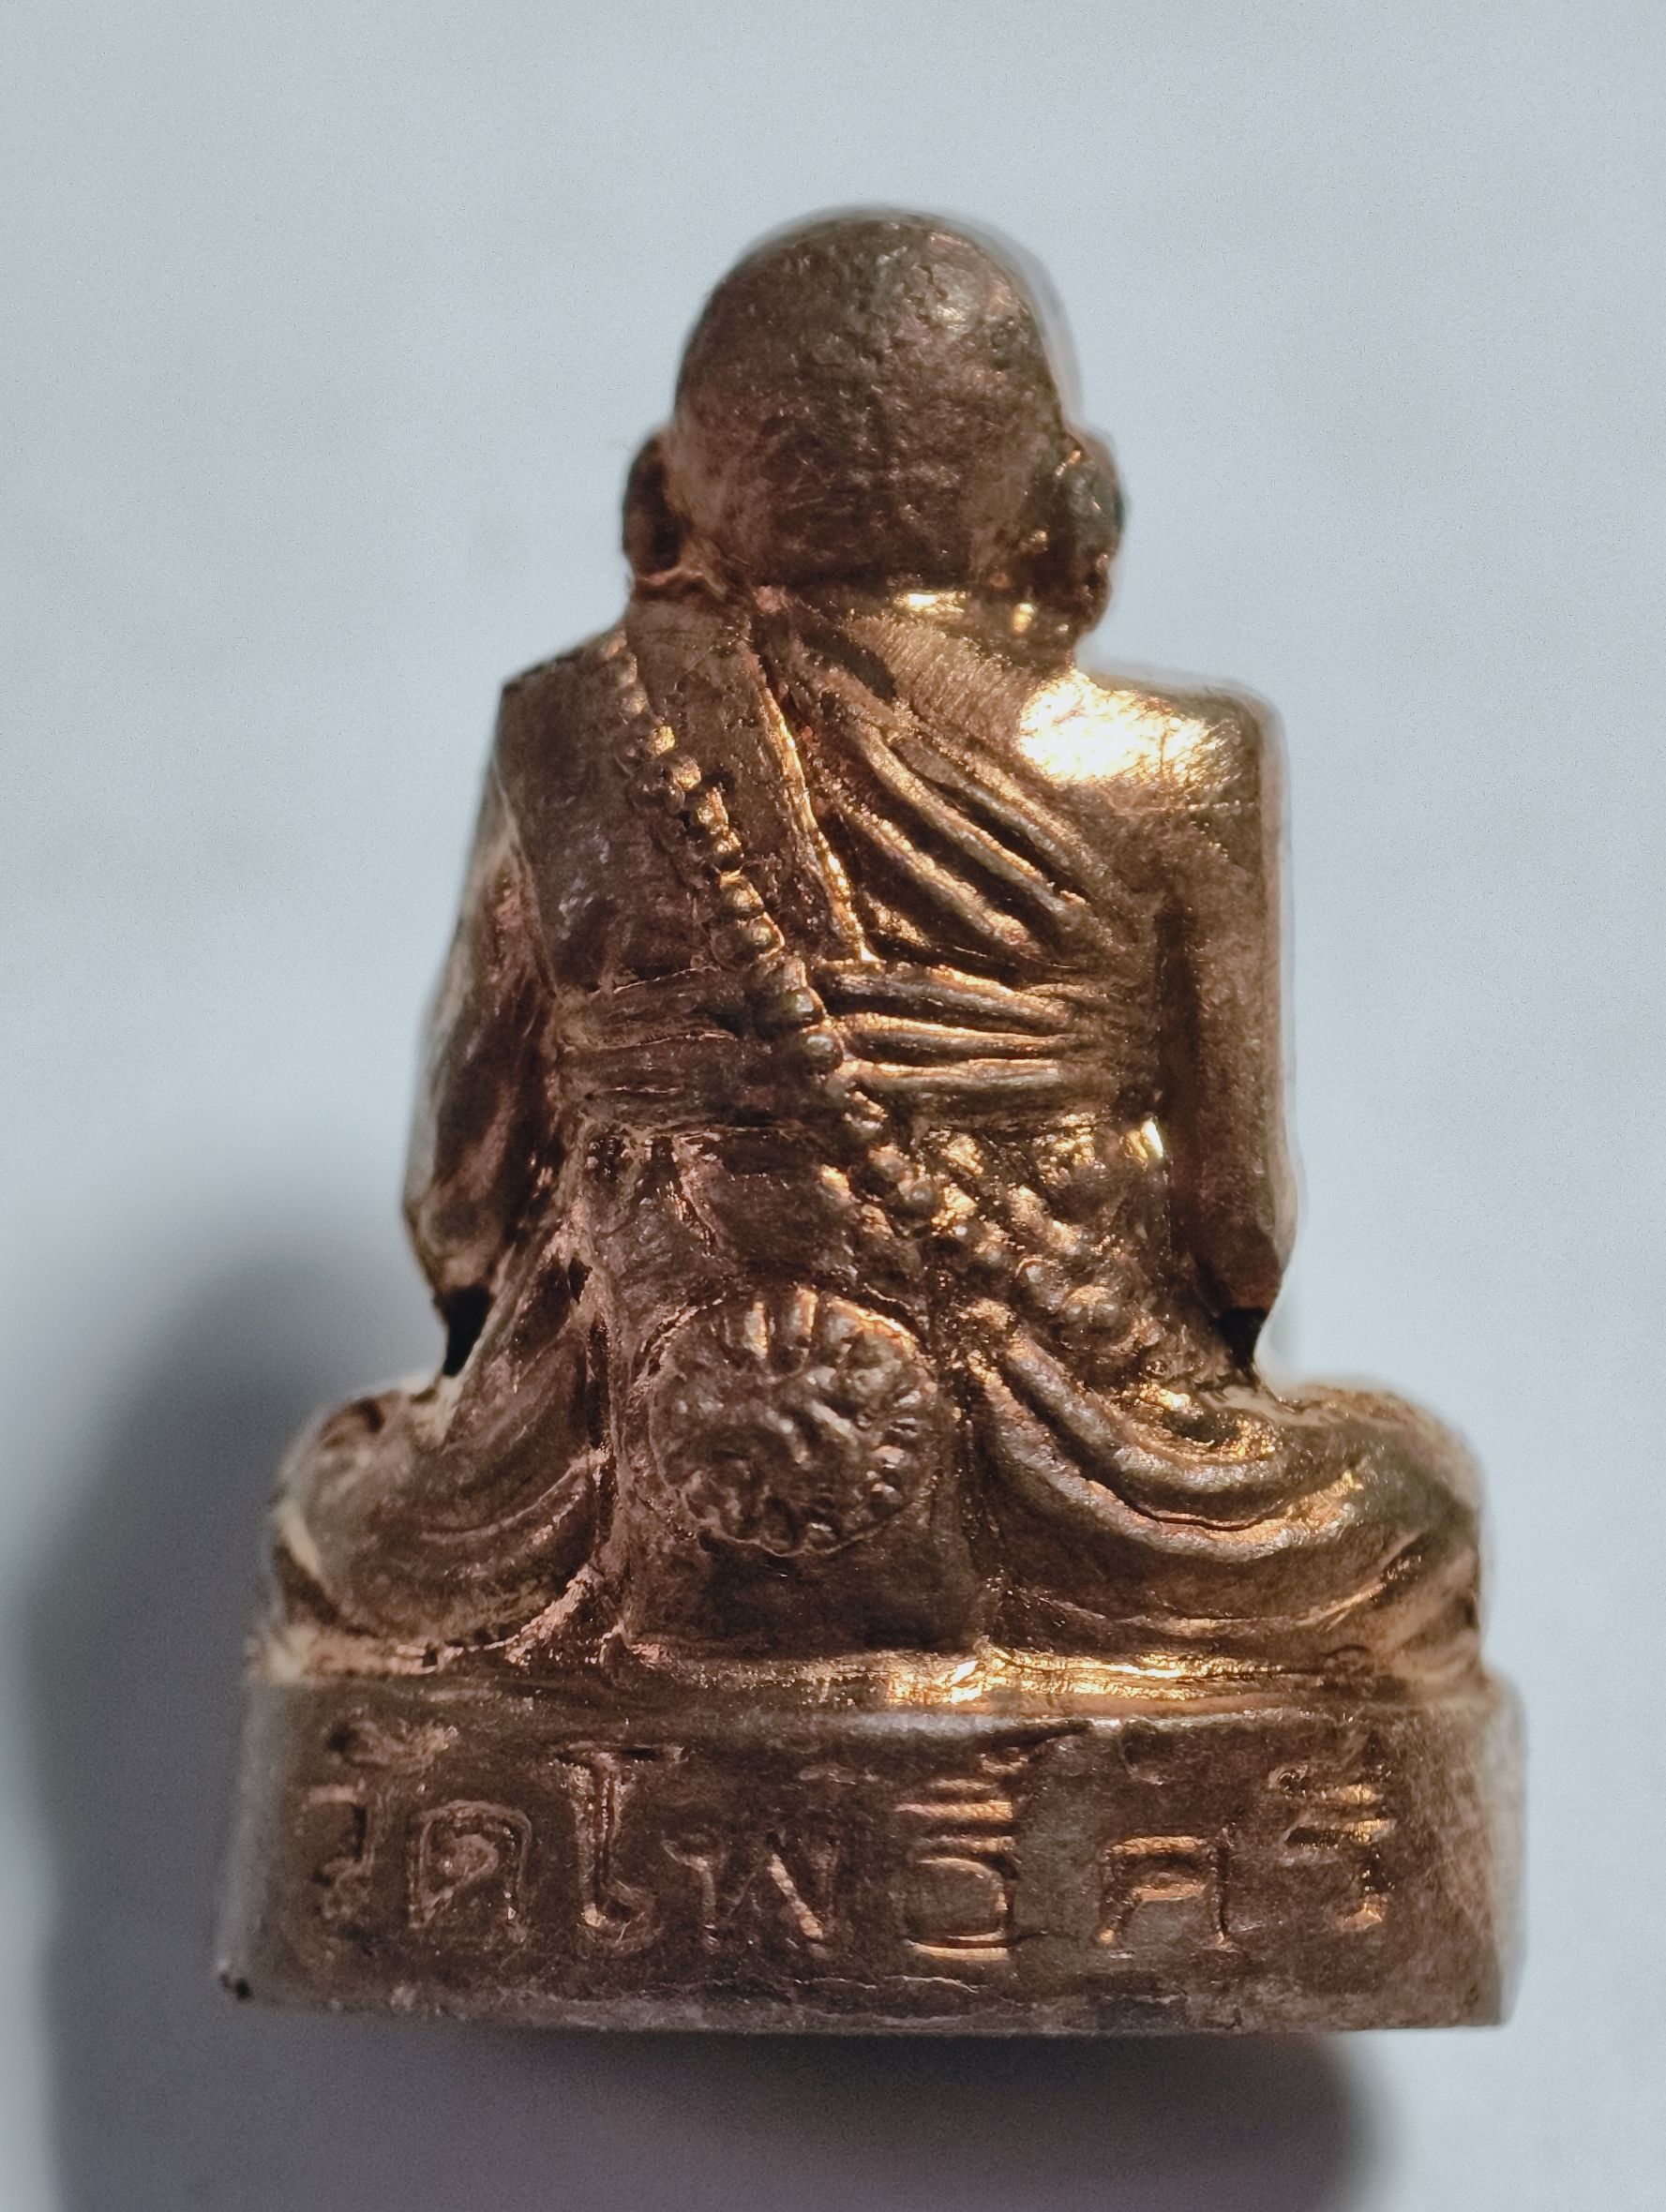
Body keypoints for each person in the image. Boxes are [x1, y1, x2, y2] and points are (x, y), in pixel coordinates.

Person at [273, 213, 1479, 1681]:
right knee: (1411, 1515)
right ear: (1064, 495)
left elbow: (465, 1173)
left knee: (332, 1523)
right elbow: (1234, 1229)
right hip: (1064, 1433)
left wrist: (495, 1345)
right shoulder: (1173, 762)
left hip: (607, 1453)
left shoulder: (570, 730)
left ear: (662, 496)